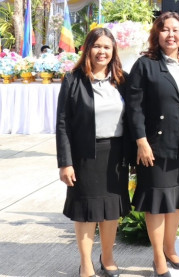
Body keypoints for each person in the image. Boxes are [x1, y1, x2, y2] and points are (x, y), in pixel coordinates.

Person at [127, 12, 179, 277]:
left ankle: (171, 249)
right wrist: (141, 141)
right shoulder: (145, 64)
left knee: (176, 199)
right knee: (157, 201)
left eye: (176, 30)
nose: (171, 35)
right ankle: (158, 257)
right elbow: (134, 107)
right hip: (154, 145)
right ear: (157, 34)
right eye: (165, 30)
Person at [55, 27, 130, 277]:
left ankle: (107, 257)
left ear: (113, 51)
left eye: (107, 47)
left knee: (111, 210)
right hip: (85, 155)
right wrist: (65, 162)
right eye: (97, 46)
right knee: (86, 212)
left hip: (115, 154)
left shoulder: (122, 79)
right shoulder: (73, 80)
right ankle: (86, 263)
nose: (102, 52)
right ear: (87, 49)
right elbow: (63, 124)